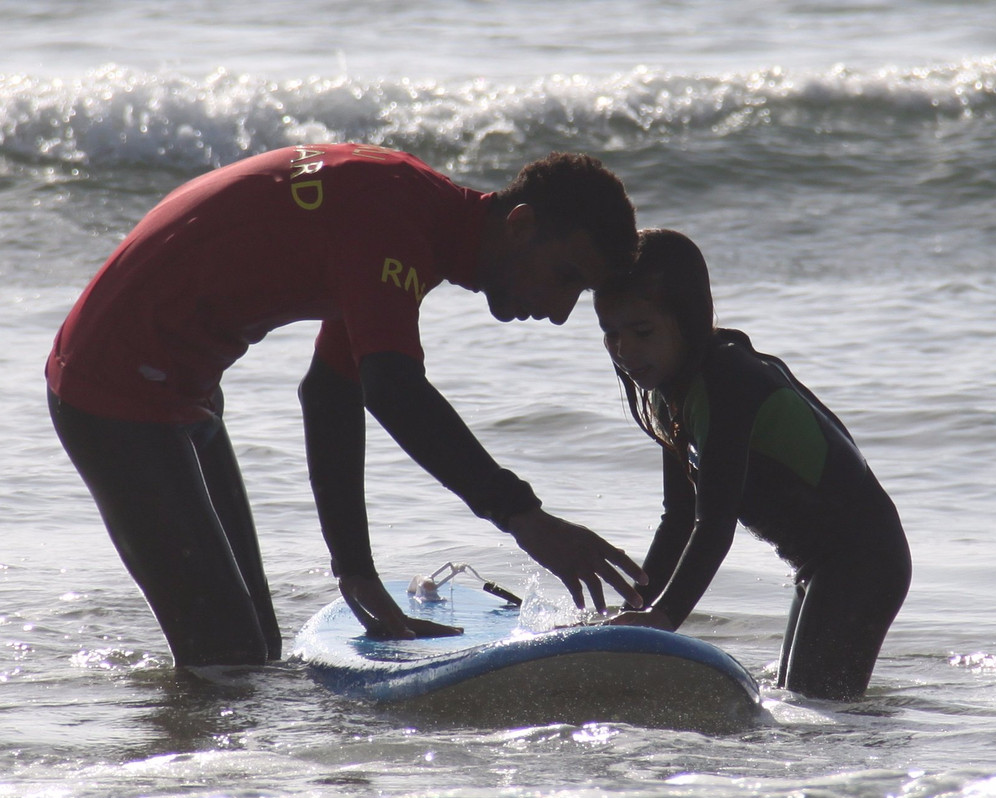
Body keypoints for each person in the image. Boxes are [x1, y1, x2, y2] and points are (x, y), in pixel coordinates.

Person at [47, 143, 647, 667]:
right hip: (115, 383)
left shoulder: (415, 216)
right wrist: (523, 516)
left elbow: (333, 390)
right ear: (520, 225)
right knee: (226, 656)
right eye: (565, 275)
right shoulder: (393, 224)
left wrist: (354, 568)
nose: (563, 310)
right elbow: (393, 390)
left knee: (254, 648)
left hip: (184, 388)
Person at [593, 229, 911, 700]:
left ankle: (876, 764)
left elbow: (713, 524)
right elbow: (678, 519)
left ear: (688, 320)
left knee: (819, 708)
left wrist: (662, 619)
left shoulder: (726, 380)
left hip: (864, 559)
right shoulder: (668, 393)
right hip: (823, 565)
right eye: (611, 334)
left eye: (642, 332)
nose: (624, 350)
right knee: (799, 700)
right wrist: (636, 610)